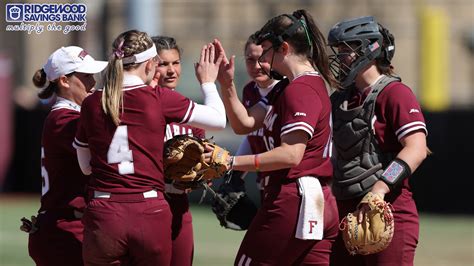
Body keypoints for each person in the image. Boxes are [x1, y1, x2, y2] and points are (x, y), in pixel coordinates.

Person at [73, 29, 227, 265]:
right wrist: (207, 83)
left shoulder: (92, 102)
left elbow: (85, 167)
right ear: (149, 64)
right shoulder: (157, 98)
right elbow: (219, 119)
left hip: (104, 211)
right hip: (149, 210)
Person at [214, 9, 340, 265]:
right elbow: (244, 124)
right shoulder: (287, 87)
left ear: (283, 47)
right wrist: (226, 85)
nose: (261, 61)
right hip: (316, 200)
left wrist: (231, 163)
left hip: (293, 198)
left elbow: (291, 154)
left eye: (266, 50)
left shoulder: (300, 90)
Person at [327, 16, 428, 266]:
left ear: (369, 49)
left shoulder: (395, 93)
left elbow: (416, 148)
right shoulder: (339, 99)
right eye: (338, 52)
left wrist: (380, 188)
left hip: (387, 210)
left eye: (346, 51)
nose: (340, 58)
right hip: (345, 214)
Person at [26, 46, 107, 266]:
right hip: (64, 231)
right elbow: (106, 152)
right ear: (64, 81)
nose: (93, 82)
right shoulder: (63, 119)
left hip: (70, 228)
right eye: (86, 76)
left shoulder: (69, 115)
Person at [150, 35, 204, 266]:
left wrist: (201, 174)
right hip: (148, 205)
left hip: (179, 208)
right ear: (149, 66)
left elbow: (203, 157)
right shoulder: (137, 108)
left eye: (176, 62)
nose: (171, 70)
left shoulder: (190, 112)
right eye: (163, 64)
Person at [230, 32, 279, 203]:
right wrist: (236, 176)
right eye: (250, 59)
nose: (257, 66)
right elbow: (252, 134)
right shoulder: (250, 90)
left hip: (286, 181)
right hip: (263, 180)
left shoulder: (286, 89)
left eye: (263, 59)